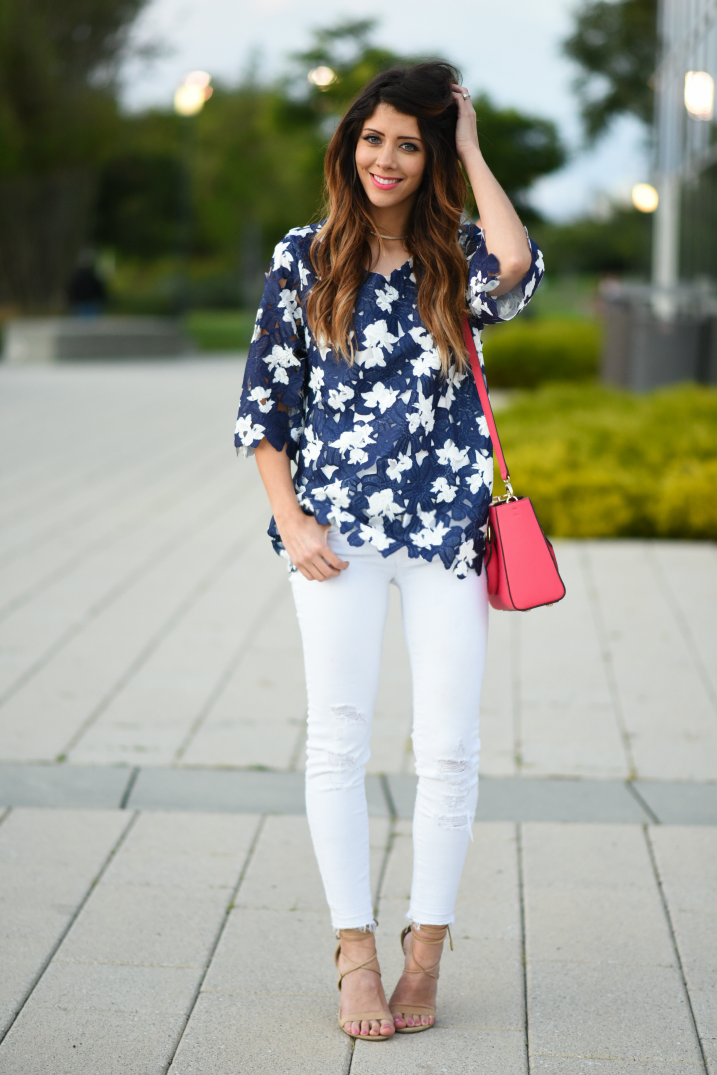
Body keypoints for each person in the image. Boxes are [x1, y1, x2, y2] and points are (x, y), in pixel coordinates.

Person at [234, 61, 543, 1041]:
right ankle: (354, 951)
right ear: (349, 142)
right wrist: (291, 520)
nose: (387, 158)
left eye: (410, 143)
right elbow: (263, 404)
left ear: (431, 156)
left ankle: (426, 951)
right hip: (333, 535)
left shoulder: (454, 256)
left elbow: (518, 266)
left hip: (444, 533)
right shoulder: (304, 254)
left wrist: (474, 149)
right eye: (374, 137)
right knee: (338, 737)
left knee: (448, 747)